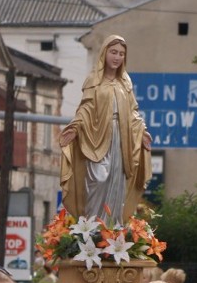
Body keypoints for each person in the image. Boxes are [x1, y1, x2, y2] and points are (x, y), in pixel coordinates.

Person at [59, 34, 152, 224]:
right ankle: (93, 226)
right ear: (104, 53)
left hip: (121, 138)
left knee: (116, 182)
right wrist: (75, 128)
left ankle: (113, 225)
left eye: (121, 54)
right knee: (99, 179)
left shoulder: (125, 82)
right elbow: (85, 108)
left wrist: (141, 130)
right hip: (97, 137)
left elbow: (133, 111)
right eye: (113, 52)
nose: (117, 57)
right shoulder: (94, 80)